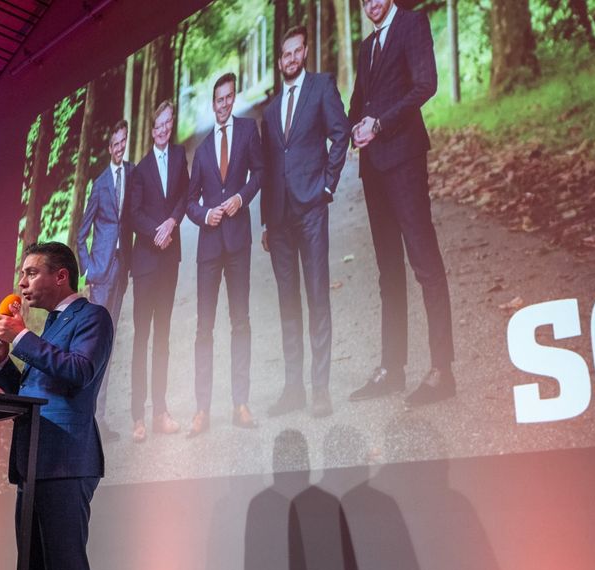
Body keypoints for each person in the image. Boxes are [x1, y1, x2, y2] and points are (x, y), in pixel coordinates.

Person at [0, 241, 112, 570]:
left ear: (61, 275)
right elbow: (33, 390)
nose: (21, 283)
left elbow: (78, 371)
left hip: (66, 463)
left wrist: (20, 337)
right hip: (33, 462)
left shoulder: (93, 317)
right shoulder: (50, 326)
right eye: (21, 274)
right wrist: (2, 361)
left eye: (30, 272)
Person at [348, 0, 456, 406]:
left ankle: (442, 371)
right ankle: (392, 371)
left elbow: (424, 85)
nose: (370, 3)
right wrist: (341, 132)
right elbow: (358, 103)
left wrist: (380, 124)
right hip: (373, 170)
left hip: (406, 160)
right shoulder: (365, 47)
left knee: (425, 263)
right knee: (387, 272)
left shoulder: (413, 24)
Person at [260, 25, 349, 419]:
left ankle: (320, 390)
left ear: (305, 52)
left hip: (312, 210)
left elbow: (340, 134)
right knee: (288, 305)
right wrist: (264, 222)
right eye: (286, 54)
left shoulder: (321, 87)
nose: (291, 58)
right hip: (278, 220)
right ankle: (293, 389)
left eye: (297, 51)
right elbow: (267, 169)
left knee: (317, 297)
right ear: (279, 61)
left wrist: (327, 187)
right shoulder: (269, 109)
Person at [185, 72, 263, 436]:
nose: (224, 103)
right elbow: (188, 201)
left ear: (234, 98)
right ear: (212, 102)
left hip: (238, 244)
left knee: (241, 322)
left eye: (229, 97)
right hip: (208, 249)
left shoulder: (248, 131)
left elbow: (260, 173)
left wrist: (240, 198)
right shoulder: (201, 150)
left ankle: (240, 404)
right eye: (219, 99)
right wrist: (204, 214)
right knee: (204, 328)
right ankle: (202, 410)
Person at [127, 100, 188, 442]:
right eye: (158, 125)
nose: (163, 129)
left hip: (170, 261)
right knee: (141, 338)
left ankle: (161, 411)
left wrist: (172, 222)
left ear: (171, 124)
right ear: (151, 130)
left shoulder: (179, 156)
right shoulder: (141, 168)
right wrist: (156, 232)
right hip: (147, 263)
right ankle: (138, 417)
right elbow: (133, 214)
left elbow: (184, 195)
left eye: (168, 123)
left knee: (162, 337)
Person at [76, 119, 133, 441]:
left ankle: (99, 420)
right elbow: (81, 233)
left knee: (109, 347)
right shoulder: (99, 185)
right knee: (94, 348)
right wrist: (90, 268)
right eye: (116, 143)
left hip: (121, 272)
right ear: (109, 147)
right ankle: (85, 417)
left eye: (124, 141)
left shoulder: (131, 174)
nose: (121, 147)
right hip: (101, 275)